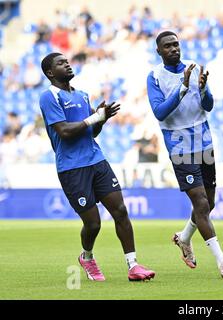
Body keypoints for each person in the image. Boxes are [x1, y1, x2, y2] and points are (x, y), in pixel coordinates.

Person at [39, 53, 155, 282]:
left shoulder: (82, 95)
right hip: (72, 167)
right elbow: (64, 131)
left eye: (67, 61)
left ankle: (133, 265)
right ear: (50, 72)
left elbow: (91, 132)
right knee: (93, 224)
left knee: (120, 211)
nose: (67, 64)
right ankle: (87, 256)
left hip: (97, 160)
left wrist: (101, 119)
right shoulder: (49, 96)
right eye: (61, 63)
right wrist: (95, 118)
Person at [146, 31, 223, 278]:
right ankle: (222, 261)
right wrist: (183, 88)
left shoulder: (196, 68)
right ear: (159, 51)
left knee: (210, 203)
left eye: (176, 44)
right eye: (168, 46)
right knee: (200, 203)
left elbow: (208, 106)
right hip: (179, 146)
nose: (174, 49)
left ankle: (184, 237)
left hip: (204, 142)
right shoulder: (155, 76)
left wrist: (204, 89)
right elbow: (159, 113)